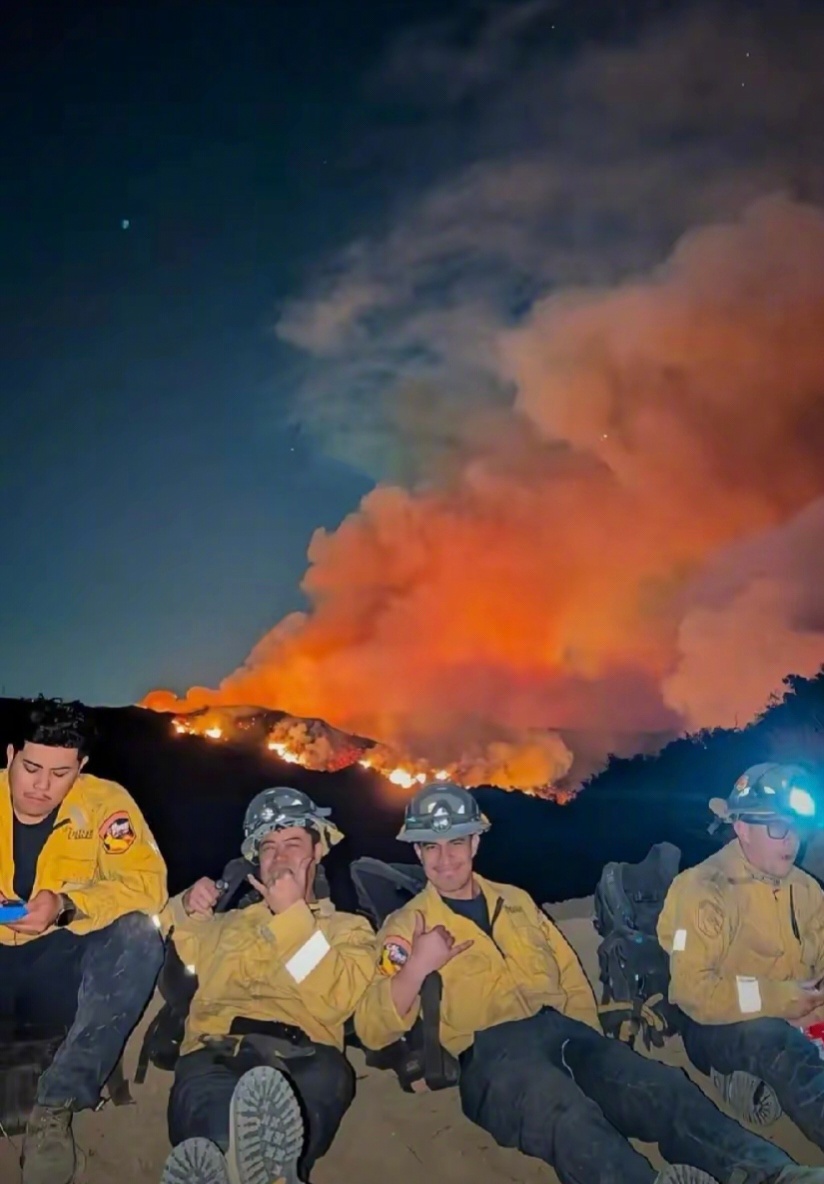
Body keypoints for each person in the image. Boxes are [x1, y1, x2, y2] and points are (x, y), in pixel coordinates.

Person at [355, 782, 820, 1184]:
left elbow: (569, 974)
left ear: (476, 842)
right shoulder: (407, 924)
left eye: (455, 841)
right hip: (491, 1056)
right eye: (430, 847)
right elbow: (373, 1027)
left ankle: (770, 1172)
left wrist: (593, 1046)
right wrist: (417, 966)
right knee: (569, 1117)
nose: (444, 857)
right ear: (416, 852)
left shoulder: (515, 902)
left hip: (565, 1033)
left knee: (663, 1087)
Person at [160, 786, 377, 1184]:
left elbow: (337, 999)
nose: (279, 856)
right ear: (255, 861)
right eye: (268, 848)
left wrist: (292, 915)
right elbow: (173, 946)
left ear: (318, 850)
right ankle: (240, 1166)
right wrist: (186, 906)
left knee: (281, 1143)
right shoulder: (224, 925)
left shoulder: (348, 930)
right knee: (216, 1139)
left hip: (307, 1056)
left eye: (293, 843)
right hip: (214, 1049)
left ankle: (263, 1172)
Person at [0, 697, 168, 1184]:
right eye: (31, 767)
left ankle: (55, 1109)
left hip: (61, 966)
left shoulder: (105, 804)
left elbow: (148, 885)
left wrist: (68, 905)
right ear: (10, 754)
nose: (42, 786)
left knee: (139, 935)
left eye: (61, 773)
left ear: (82, 768)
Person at [659, 762, 824, 1153]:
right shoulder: (703, 889)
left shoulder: (805, 889)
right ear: (742, 828)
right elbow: (692, 991)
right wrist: (782, 999)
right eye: (778, 827)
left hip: (803, 1014)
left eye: (796, 827)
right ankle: (739, 1077)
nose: (792, 841)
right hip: (719, 1024)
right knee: (779, 1046)